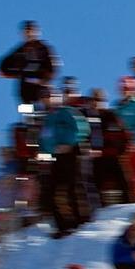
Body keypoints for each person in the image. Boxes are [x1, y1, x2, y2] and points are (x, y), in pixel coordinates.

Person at [39, 88, 91, 238]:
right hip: (55, 158)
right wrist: (45, 155)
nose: (47, 99)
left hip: (70, 154)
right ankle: (63, 225)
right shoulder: (48, 119)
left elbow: (82, 129)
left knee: (72, 187)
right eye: (44, 97)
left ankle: (81, 220)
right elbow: (43, 140)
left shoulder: (67, 112)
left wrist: (69, 144)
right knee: (53, 191)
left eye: (50, 96)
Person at [0, 20, 60, 106]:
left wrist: (45, 80)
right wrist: (15, 73)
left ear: (36, 32)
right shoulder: (19, 51)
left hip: (41, 86)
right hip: (25, 89)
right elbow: (3, 67)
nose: (29, 34)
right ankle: (29, 118)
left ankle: (50, 114)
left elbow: (52, 67)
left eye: (31, 31)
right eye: (26, 31)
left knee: (48, 103)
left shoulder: (43, 48)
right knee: (27, 110)